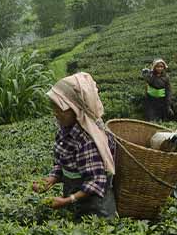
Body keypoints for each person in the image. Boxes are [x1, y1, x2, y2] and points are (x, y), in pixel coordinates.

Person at [32, 72, 117, 219]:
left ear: (76, 109)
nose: (56, 114)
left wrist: (67, 200)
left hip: (96, 210)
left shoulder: (88, 141)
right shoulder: (65, 131)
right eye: (54, 109)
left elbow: (95, 182)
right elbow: (62, 162)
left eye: (61, 109)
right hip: (75, 202)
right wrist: (51, 179)